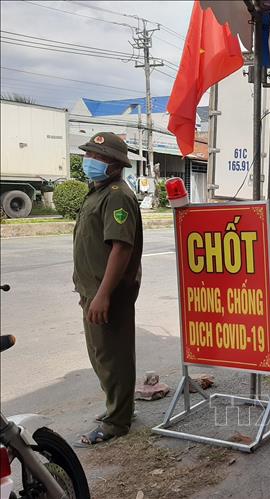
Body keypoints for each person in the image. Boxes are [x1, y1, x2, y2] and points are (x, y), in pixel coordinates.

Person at [73, 132, 143, 446]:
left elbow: (121, 248)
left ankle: (118, 421)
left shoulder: (116, 195)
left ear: (114, 166)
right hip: (94, 289)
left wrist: (102, 294)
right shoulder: (99, 191)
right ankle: (117, 407)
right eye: (90, 154)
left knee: (112, 355)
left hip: (108, 293)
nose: (90, 161)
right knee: (102, 353)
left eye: (97, 157)